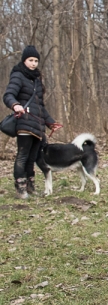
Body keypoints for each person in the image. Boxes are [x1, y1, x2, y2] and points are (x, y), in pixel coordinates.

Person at [3, 46, 61, 198]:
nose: (34, 63)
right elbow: (8, 95)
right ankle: (20, 187)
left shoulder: (37, 80)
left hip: (37, 126)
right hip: (23, 123)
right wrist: (15, 105)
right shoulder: (18, 75)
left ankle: (30, 186)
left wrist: (50, 122)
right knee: (22, 155)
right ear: (24, 60)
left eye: (36, 60)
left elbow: (40, 106)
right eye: (31, 60)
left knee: (32, 157)